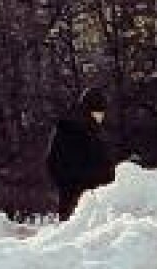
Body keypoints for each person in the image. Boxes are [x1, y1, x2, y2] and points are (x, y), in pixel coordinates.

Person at [45, 87, 117, 220]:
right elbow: (55, 163)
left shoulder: (90, 130)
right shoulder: (72, 130)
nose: (102, 116)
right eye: (100, 112)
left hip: (87, 197)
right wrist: (77, 185)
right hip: (78, 197)